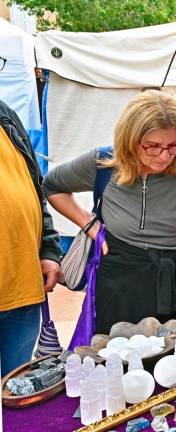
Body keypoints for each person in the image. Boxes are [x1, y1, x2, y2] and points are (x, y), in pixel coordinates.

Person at [44, 91, 176, 335]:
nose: (164, 156)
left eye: (173, 146)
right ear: (131, 139)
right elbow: (53, 186)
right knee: (117, 358)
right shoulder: (104, 162)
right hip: (121, 280)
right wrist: (89, 224)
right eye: (152, 147)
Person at [0, 100, 62, 376]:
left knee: (18, 389)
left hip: (21, 286)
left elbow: (35, 189)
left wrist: (48, 249)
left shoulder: (5, 115)